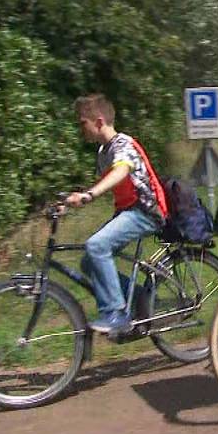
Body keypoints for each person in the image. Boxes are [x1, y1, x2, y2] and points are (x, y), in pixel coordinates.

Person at [65, 94, 170, 333]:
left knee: (97, 246)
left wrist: (89, 195)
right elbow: (105, 183)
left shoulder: (122, 144)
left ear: (99, 122)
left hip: (146, 211)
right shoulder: (104, 151)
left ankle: (116, 313)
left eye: (82, 123)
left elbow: (121, 171)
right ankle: (142, 300)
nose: (81, 129)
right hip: (129, 211)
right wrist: (68, 204)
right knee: (89, 261)